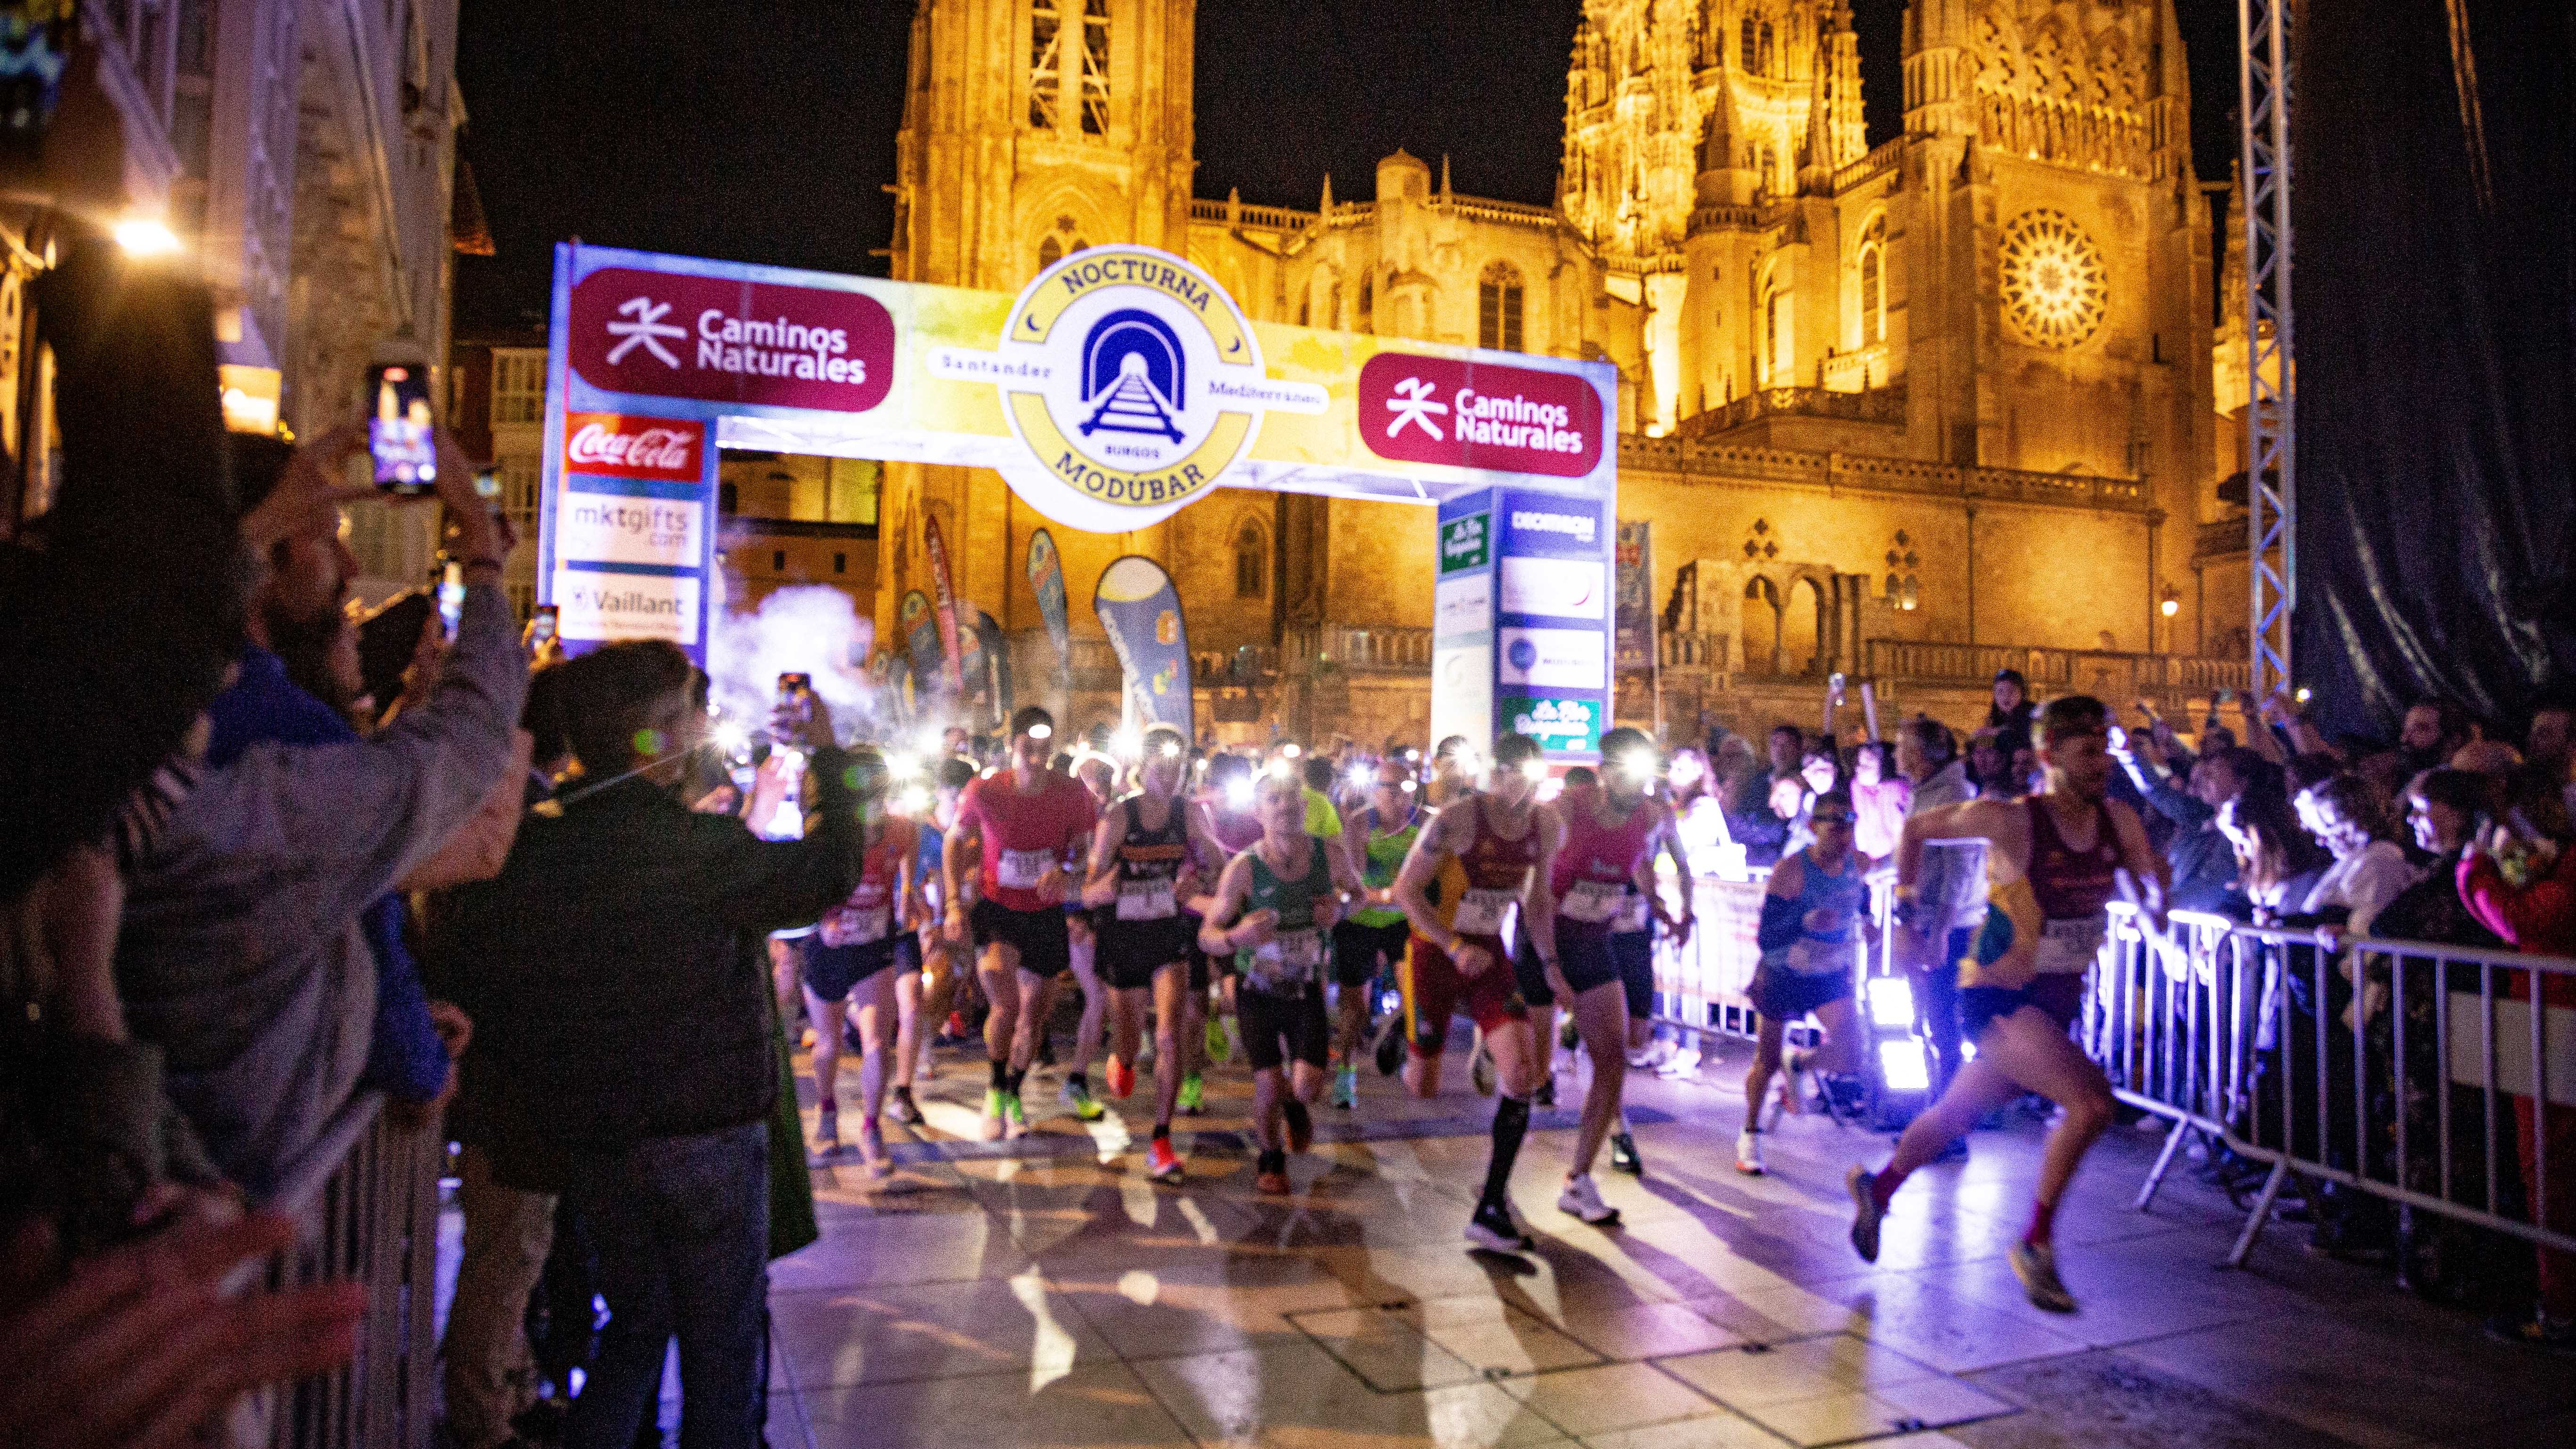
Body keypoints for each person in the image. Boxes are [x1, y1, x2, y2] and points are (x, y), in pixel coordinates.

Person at [425, 641, 867, 1449]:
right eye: (689, 714)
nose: (703, 726)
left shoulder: (537, 845)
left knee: (634, 1325)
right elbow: (824, 873)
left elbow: (470, 953)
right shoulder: (691, 848)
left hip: (595, 1136)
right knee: (721, 1352)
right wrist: (833, 762)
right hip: (701, 1136)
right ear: (656, 738)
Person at [117, 428, 526, 1196]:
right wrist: (480, 547)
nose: (346, 568)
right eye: (322, 539)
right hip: (220, 1193)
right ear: (262, 567)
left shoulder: (115, 708)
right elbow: (460, 749)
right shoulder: (276, 737)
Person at [1855, 696, 2167, 1313]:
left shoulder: (2120, 820)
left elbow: (2151, 884)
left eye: (2107, 749)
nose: (2103, 762)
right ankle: (2035, 1242)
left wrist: (2156, 899)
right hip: (1998, 996)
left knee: (1955, 1115)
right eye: (2089, 752)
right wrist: (1911, 910)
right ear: (2051, 755)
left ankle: (1878, 1186)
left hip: (2054, 1001)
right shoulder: (2010, 820)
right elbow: (1916, 828)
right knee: (2091, 1102)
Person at [1392, 732, 1552, 1252]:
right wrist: (1452, 943)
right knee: (1424, 1088)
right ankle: (1408, 1032)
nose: (1520, 789)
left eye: (1531, 777)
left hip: (1487, 956)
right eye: (1511, 775)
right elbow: (1406, 892)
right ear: (1495, 774)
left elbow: (1538, 903)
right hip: (1435, 953)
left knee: (1524, 1073)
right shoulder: (1457, 821)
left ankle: (1491, 1205)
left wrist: (1552, 967)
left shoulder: (1545, 826)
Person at [1530, 726, 1681, 1219]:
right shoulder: (1568, 809)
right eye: (1627, 773)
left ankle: (1578, 1180)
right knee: (1531, 1072)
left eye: (1644, 773)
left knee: (1613, 1060)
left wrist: (1661, 907)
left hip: (1595, 941)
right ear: (1605, 772)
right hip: (1545, 934)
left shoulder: (1649, 814)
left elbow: (1638, 865)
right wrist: (1550, 964)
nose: (1637, 785)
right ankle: (1500, 1038)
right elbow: (1535, 879)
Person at [2455, 765, 2576, 1350]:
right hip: (2545, 1020)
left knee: (2553, 1170)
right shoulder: (2555, 859)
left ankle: (2563, 1312)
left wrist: (2476, 866)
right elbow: (2508, 923)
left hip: (2559, 1025)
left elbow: (2525, 918)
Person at [943, 707, 1100, 1139]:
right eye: (1026, 749)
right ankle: (994, 1089)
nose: (1035, 758)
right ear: (1012, 745)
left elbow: (1086, 851)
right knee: (1006, 1004)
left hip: (1045, 913)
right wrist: (955, 903)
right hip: (999, 910)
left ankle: (1013, 1089)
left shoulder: (1071, 793)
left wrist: (1066, 872)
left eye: (1043, 750)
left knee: (1035, 1016)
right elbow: (953, 842)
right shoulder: (984, 791)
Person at [1081, 725, 1227, 1181]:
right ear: (1144, 768)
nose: (1170, 775)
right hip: (1123, 936)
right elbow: (1088, 893)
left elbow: (1220, 867)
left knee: (1169, 1035)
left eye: (1177, 767)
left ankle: (1161, 1142)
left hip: (1168, 933)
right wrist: (1114, 885)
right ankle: (1121, 1061)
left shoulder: (1192, 815)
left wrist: (1197, 882)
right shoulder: (1119, 818)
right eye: (1162, 766)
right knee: (1128, 1044)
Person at [1198, 770, 1346, 1195]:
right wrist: (1236, 937)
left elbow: (1357, 895)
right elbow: (1207, 937)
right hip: (1256, 991)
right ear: (1260, 813)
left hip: (1306, 990)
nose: (1286, 807)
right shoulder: (1244, 868)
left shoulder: (1329, 857)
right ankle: (1270, 1155)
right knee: (1267, 1081)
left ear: (1306, 808)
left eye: (1292, 800)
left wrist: (1341, 910)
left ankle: (1296, 1107)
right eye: (1275, 801)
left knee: (1306, 1086)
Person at [793, 750, 921, 1175]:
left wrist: (909, 900)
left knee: (877, 1044)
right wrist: (826, 917)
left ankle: (871, 1127)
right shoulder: (825, 834)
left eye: (879, 793)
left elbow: (906, 879)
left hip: (872, 947)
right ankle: (827, 1114)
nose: (873, 803)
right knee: (827, 1045)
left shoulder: (902, 830)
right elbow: (807, 885)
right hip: (827, 948)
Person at [1735, 792, 1868, 1174]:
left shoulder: (1857, 864)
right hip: (1783, 973)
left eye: (1849, 826)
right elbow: (1767, 936)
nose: (1843, 835)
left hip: (1829, 973)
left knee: (1853, 1053)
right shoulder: (1791, 871)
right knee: (1766, 1061)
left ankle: (1801, 1063)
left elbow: (1860, 898)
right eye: (1834, 827)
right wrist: (1804, 923)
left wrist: (1871, 920)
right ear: (1814, 828)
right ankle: (1750, 1134)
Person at [890, 755, 978, 1125]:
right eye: (952, 789)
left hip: (955, 920)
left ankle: (922, 1045)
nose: (958, 797)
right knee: (915, 994)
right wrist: (927, 923)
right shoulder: (917, 831)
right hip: (911, 924)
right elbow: (914, 883)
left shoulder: (972, 831)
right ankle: (912, 1061)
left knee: (949, 982)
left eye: (964, 790)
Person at [1335, 758, 1426, 1101]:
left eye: (1404, 787)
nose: (1397, 795)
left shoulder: (1425, 823)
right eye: (1388, 787)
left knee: (1417, 995)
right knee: (1354, 1009)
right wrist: (1394, 894)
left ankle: (1400, 1041)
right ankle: (1346, 1072)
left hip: (1403, 922)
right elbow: (1356, 885)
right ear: (1374, 791)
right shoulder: (1360, 825)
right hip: (1360, 921)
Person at [1058, 750, 1120, 1122]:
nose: (1098, 794)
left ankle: (1078, 1080)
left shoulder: (1116, 823)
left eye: (1103, 785)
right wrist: (1070, 916)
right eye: (1090, 784)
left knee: (1101, 997)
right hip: (1062, 919)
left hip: (1101, 920)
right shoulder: (1059, 822)